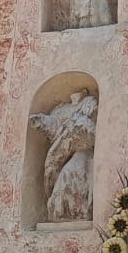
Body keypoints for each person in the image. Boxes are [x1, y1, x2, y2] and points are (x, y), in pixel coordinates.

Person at [30, 91, 97, 222]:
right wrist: (42, 121)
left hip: (82, 151)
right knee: (60, 176)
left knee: (72, 172)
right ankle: (61, 213)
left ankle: (79, 211)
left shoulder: (89, 102)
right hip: (62, 150)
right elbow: (54, 128)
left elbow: (89, 127)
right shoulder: (59, 110)